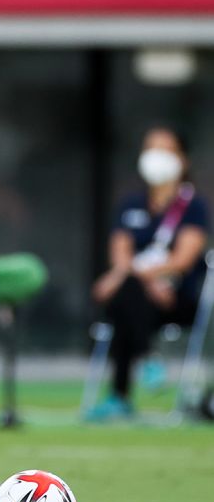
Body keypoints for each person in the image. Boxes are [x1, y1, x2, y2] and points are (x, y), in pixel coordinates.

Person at [89, 126, 209, 419]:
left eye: (164, 150)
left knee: (122, 295)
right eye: (150, 149)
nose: (156, 157)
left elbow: (182, 259)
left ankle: (120, 396)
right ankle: (148, 359)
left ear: (182, 159)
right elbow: (120, 250)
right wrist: (131, 277)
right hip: (140, 298)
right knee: (127, 295)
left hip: (175, 298)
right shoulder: (131, 204)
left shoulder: (194, 206)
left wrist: (127, 277)